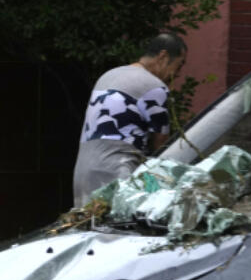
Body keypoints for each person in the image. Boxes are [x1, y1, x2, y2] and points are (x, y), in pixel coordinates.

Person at [72, 32, 187, 206]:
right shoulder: (155, 87)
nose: (177, 74)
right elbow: (161, 145)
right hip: (117, 172)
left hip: (83, 172)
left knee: (86, 228)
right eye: (178, 66)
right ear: (163, 57)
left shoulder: (108, 75)